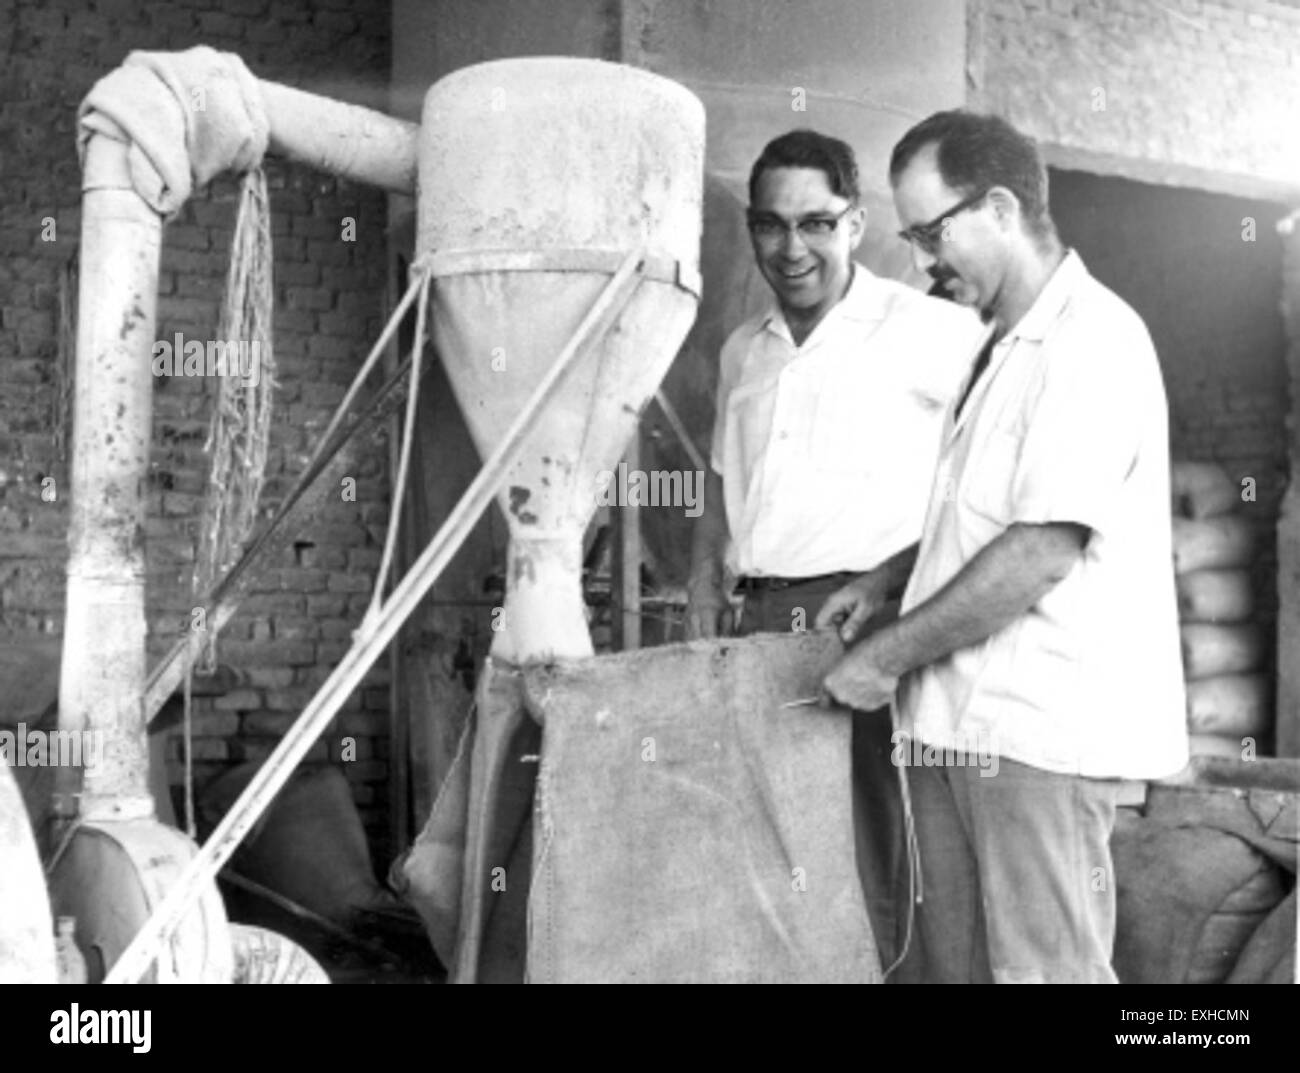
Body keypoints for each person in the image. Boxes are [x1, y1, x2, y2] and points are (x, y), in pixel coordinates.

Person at [816, 110, 1189, 983]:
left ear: (1000, 206)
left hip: (1039, 742)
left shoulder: (1092, 341)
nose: (921, 260)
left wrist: (884, 657)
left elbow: (1040, 550)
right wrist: (888, 579)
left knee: (1045, 977)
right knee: (967, 974)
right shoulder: (996, 350)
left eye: (929, 232)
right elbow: (985, 522)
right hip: (962, 726)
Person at [685, 128, 986, 976]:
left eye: (817, 223)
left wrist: (907, 589)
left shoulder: (931, 328)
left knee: (880, 849)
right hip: (758, 625)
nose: (793, 248)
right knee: (770, 844)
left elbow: (986, 478)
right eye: (773, 225)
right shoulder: (744, 347)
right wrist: (705, 577)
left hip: (866, 620)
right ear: (751, 228)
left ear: (856, 223)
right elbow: (719, 480)